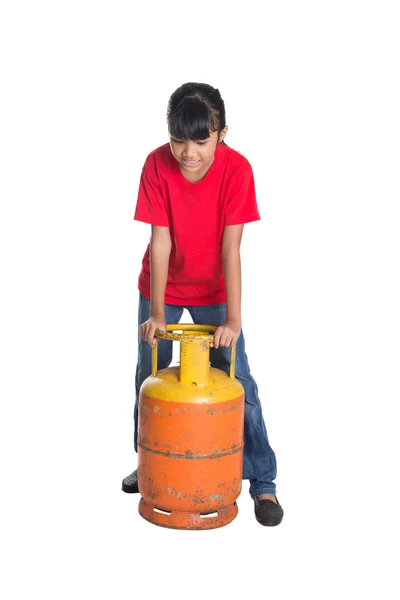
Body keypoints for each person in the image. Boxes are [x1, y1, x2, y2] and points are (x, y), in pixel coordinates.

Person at [122, 82, 283, 527]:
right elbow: (160, 243)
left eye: (201, 140)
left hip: (215, 293)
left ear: (222, 133)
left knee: (240, 383)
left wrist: (232, 318)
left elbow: (232, 249)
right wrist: (156, 313)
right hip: (162, 288)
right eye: (178, 140)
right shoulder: (156, 164)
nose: (188, 153)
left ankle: (263, 481)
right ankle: (150, 463)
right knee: (148, 375)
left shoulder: (237, 170)